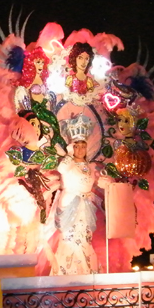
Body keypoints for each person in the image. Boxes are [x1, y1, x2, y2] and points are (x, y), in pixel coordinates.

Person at [51, 114, 107, 275]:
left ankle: (87, 270)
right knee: (70, 238)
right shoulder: (68, 163)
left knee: (85, 238)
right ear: (72, 146)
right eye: (77, 146)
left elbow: (90, 186)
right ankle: (68, 272)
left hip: (85, 205)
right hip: (70, 204)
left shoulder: (89, 166)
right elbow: (61, 169)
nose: (80, 150)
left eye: (83, 146)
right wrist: (69, 154)